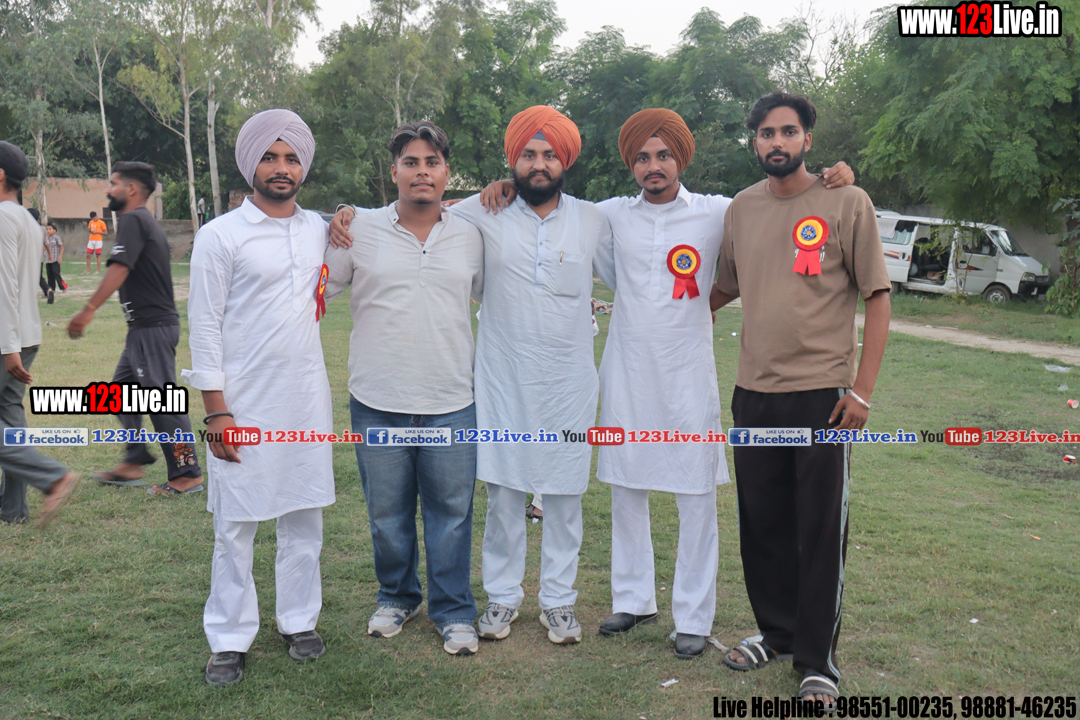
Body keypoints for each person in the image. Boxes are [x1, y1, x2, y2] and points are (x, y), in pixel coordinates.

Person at [477, 111, 854, 659]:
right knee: (626, 487)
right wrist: (506, 185)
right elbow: (550, 203)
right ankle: (633, 600)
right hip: (627, 368)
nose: (653, 166)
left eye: (663, 156)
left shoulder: (719, 211)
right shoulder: (609, 215)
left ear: (681, 158)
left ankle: (693, 616)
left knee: (695, 494)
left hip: (687, 372)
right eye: (642, 158)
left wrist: (832, 178)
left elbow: (780, 202)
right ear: (631, 164)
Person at [331, 106, 616, 646]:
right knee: (503, 493)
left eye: (548, 154)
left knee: (563, 494)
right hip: (500, 379)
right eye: (527, 155)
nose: (538, 164)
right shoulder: (482, 213)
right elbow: (417, 207)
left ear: (565, 160)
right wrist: (345, 210)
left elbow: (634, 269)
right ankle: (502, 598)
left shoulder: (592, 219)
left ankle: (559, 601)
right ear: (513, 162)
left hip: (568, 382)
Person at [709, 91, 891, 705]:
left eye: (788, 131)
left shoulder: (847, 201)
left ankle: (817, 662)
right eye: (766, 133)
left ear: (808, 139)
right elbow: (722, 288)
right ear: (754, 142)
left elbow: (877, 296)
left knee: (819, 529)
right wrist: (647, 310)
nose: (777, 142)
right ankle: (777, 633)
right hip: (753, 394)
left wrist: (862, 391)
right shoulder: (741, 208)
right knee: (761, 523)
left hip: (824, 398)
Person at [182, 109, 335, 686]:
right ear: (251, 164)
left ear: (304, 166)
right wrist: (216, 411)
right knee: (235, 526)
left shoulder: (318, 229)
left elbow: (385, 218)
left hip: (305, 400)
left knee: (304, 516)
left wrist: (345, 213)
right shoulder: (220, 235)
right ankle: (228, 637)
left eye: (291, 157)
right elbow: (205, 327)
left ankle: (299, 620)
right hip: (242, 404)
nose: (281, 168)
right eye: (269, 157)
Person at [324, 121, 484, 656]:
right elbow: (315, 288)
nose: (422, 172)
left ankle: (454, 610)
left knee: (452, 515)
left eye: (432, 163)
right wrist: (340, 214)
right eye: (411, 162)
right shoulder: (359, 229)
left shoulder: (470, 234)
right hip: (377, 401)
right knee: (387, 516)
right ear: (393, 171)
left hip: (452, 401)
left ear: (446, 172)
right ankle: (396, 597)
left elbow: (496, 293)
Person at [67, 162, 203, 496]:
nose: (108, 189)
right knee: (119, 393)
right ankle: (134, 458)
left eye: (112, 183)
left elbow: (120, 268)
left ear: (131, 189)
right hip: (144, 328)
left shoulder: (133, 219)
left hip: (152, 328)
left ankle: (187, 473)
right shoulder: (141, 221)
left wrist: (88, 309)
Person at [0, 140, 79, 526]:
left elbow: (4, 285)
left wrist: (7, 346)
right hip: (26, 333)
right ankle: (13, 509)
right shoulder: (28, 221)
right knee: (10, 419)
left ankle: (53, 477)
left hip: (8, 340)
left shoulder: (2, 218)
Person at [44, 222, 66, 299]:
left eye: (50, 229)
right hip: (48, 259)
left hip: (55, 259)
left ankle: (63, 287)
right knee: (49, 274)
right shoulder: (46, 238)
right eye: (47, 229)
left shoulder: (57, 238)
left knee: (56, 273)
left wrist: (60, 257)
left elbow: (61, 248)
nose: (48, 231)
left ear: (54, 230)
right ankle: (51, 288)